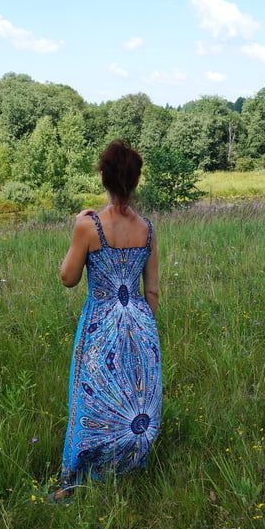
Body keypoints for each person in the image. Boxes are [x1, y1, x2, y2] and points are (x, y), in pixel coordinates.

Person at [50, 139, 162, 501]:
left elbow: (68, 278)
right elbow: (153, 290)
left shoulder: (89, 226)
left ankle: (75, 480)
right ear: (135, 180)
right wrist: (145, 331)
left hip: (101, 324)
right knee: (133, 399)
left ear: (104, 177)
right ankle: (127, 465)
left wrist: (77, 225)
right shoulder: (148, 228)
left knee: (92, 398)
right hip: (140, 324)